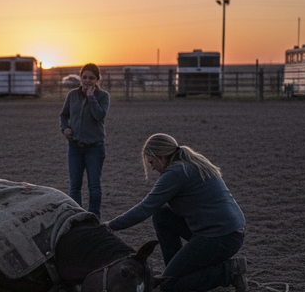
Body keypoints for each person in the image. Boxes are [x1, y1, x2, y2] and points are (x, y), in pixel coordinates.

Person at [104, 133, 247, 292]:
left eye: (152, 162)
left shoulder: (176, 172)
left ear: (161, 157)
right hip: (228, 230)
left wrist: (110, 226)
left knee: (168, 286)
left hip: (221, 237)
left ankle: (229, 272)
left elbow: (145, 207)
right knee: (161, 217)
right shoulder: (191, 163)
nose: (152, 167)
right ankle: (176, 270)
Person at [59, 63, 109, 219]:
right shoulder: (72, 95)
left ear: (97, 79)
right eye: (84, 77)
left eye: (91, 78)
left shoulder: (103, 96)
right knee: (75, 187)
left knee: (94, 186)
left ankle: (94, 219)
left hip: (94, 147)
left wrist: (91, 97)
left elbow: (99, 115)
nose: (87, 80)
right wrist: (64, 129)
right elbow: (63, 115)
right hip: (74, 147)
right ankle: (77, 218)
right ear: (80, 78)